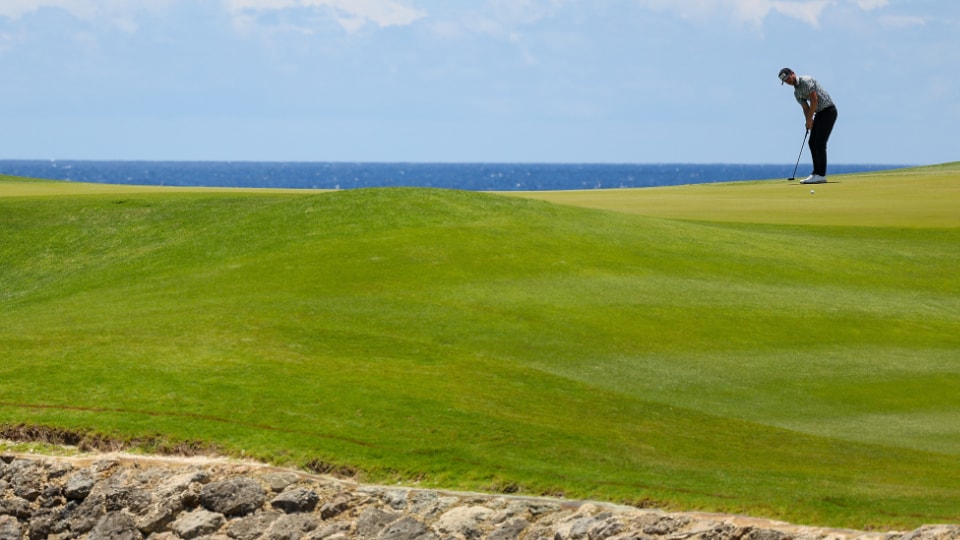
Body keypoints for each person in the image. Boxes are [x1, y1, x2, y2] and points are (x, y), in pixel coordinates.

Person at [778, 68, 837, 184]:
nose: (788, 81)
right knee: (812, 142)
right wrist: (808, 122)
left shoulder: (806, 80)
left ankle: (821, 175)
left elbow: (814, 99)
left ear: (793, 74)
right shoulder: (797, 93)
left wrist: (810, 119)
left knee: (820, 143)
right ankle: (816, 173)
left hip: (829, 111)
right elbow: (806, 108)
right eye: (785, 81)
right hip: (819, 113)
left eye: (788, 78)